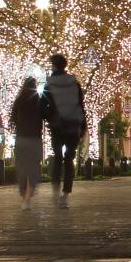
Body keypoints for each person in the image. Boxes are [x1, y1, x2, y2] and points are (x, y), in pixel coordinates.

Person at [40, 53, 87, 208]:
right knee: (69, 159)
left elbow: (42, 105)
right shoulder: (74, 82)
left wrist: (48, 117)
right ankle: (65, 195)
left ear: (54, 65)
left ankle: (55, 190)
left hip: (57, 126)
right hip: (73, 125)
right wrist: (83, 126)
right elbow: (81, 105)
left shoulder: (50, 83)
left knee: (58, 157)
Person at [11, 76, 45, 206]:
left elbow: (12, 118)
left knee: (21, 166)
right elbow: (45, 115)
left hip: (21, 138)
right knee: (34, 166)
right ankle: (29, 194)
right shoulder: (38, 100)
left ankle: (23, 191)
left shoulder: (19, 100)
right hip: (35, 138)